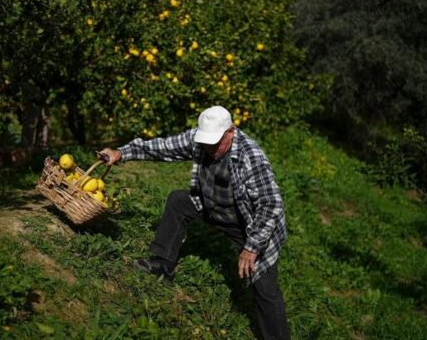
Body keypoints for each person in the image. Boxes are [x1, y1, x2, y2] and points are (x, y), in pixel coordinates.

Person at [99, 106, 290, 340]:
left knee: (265, 287)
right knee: (179, 201)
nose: (210, 148)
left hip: (248, 224)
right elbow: (162, 147)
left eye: (216, 143)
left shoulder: (251, 157)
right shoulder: (201, 140)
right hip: (210, 206)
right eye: (207, 142)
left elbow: (271, 204)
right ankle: (161, 264)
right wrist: (122, 152)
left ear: (231, 131)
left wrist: (251, 247)